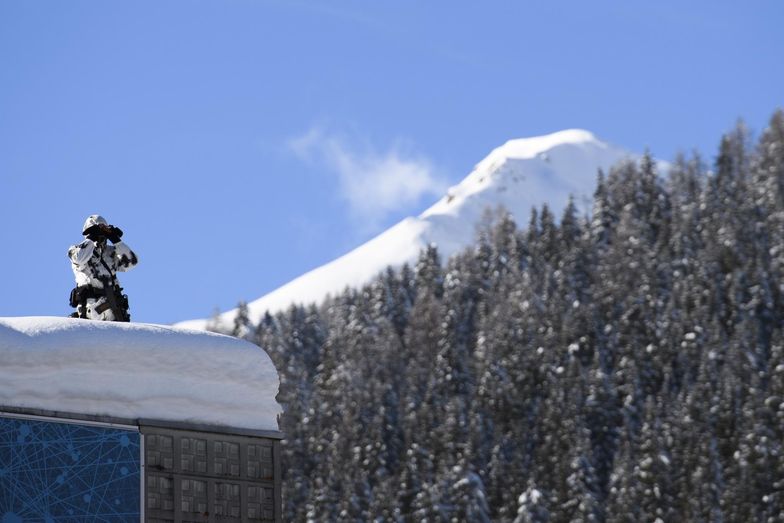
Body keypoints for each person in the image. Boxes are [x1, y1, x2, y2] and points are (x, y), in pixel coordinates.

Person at [67, 215, 138, 321]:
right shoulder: (75, 250)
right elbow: (80, 258)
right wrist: (92, 238)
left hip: (114, 309)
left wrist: (116, 240)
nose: (101, 234)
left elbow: (131, 262)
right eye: (97, 230)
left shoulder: (112, 252)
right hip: (90, 308)